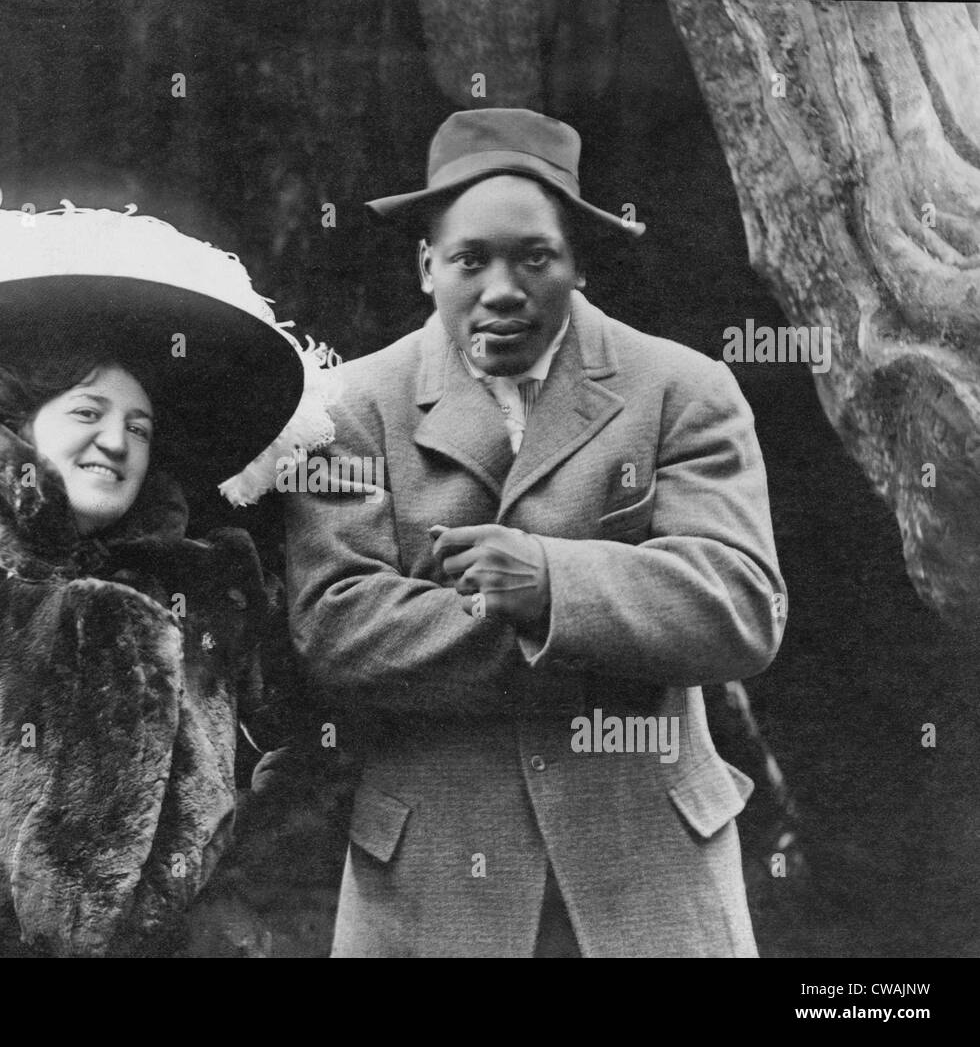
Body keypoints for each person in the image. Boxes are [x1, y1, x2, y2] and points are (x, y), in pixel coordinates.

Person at [283, 108, 788, 957]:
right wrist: (578, 622)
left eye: (535, 257)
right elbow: (337, 628)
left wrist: (553, 583)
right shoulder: (349, 410)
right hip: (435, 879)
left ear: (578, 262)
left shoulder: (682, 388)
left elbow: (740, 605)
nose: (503, 289)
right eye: (470, 260)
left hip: (648, 872)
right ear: (424, 267)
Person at [0, 197, 335, 957]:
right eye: (88, 412)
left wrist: (241, 901)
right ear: (22, 427)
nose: (115, 442)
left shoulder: (221, 590)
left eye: (139, 426)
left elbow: (319, 748)